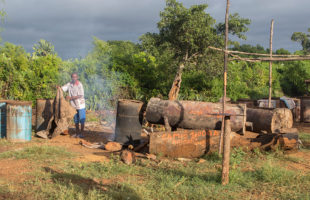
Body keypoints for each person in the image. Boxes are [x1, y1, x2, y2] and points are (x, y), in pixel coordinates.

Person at [60, 72, 86, 138]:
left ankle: (82, 133)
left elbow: (80, 95)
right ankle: (77, 133)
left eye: (75, 77)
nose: (74, 78)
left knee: (82, 119)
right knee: (76, 119)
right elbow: (62, 88)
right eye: (73, 77)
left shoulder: (80, 85)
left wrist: (70, 97)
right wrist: (59, 88)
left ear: (77, 77)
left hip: (80, 104)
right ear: (71, 78)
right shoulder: (69, 84)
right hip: (73, 105)